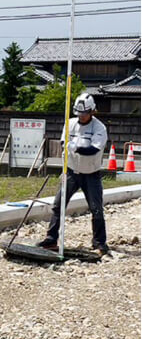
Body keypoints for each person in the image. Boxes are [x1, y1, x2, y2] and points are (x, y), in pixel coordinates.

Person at [38, 92, 110, 256]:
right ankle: (51, 238)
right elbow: (64, 141)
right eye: (78, 113)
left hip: (91, 174)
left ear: (92, 111)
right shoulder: (69, 124)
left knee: (96, 208)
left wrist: (76, 148)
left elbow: (93, 149)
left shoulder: (99, 128)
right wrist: (67, 147)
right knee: (58, 205)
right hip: (71, 172)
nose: (81, 117)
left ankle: (99, 242)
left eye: (84, 113)